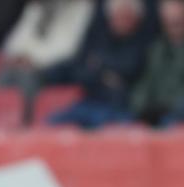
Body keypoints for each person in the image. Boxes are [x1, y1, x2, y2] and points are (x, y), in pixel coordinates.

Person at [44, 0, 149, 129]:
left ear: (136, 19)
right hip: (90, 102)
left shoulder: (143, 45)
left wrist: (99, 66)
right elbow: (83, 71)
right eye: (117, 16)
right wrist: (104, 73)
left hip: (120, 108)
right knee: (53, 123)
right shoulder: (100, 40)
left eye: (126, 17)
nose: (120, 21)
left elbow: (130, 68)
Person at [130, 0, 184, 126]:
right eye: (169, 24)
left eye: (178, 23)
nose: (174, 29)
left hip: (181, 113)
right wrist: (141, 106)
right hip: (156, 112)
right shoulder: (157, 48)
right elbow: (145, 83)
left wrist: (168, 104)